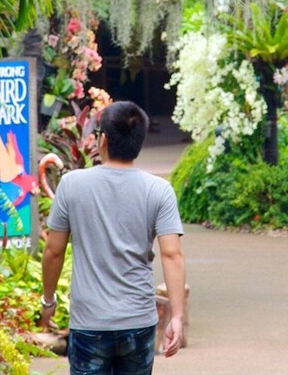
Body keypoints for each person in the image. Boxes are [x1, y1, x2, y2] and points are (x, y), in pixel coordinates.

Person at [39, 101, 187, 375]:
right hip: (138, 320)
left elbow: (53, 252)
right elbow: (171, 254)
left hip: (90, 321)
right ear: (140, 142)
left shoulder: (72, 185)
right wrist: (176, 316)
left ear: (102, 139)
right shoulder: (159, 190)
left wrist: (48, 301)